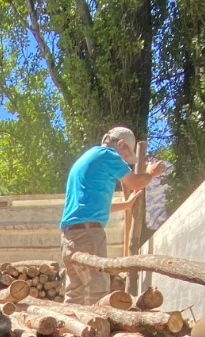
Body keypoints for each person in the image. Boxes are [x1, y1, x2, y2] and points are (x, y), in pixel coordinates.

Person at [60, 127, 164, 305]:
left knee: (75, 293)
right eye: (126, 155)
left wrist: (126, 205)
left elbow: (93, 207)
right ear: (121, 144)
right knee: (97, 291)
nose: (124, 160)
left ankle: (67, 330)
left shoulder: (87, 158)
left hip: (69, 235)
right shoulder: (108, 155)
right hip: (88, 235)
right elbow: (137, 182)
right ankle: (95, 331)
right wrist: (152, 172)